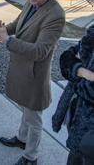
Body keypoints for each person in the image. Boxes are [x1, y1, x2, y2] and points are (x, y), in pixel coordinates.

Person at [0, 0, 66, 165]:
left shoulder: (56, 15)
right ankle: (22, 140)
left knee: (34, 117)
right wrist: (4, 30)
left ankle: (31, 157)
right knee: (26, 109)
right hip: (21, 68)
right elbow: (17, 25)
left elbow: (40, 51)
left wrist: (7, 40)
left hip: (34, 73)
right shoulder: (31, 3)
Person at [53, 24, 94, 165]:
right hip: (78, 119)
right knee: (74, 158)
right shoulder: (92, 33)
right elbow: (65, 58)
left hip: (90, 132)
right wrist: (82, 72)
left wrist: (76, 71)